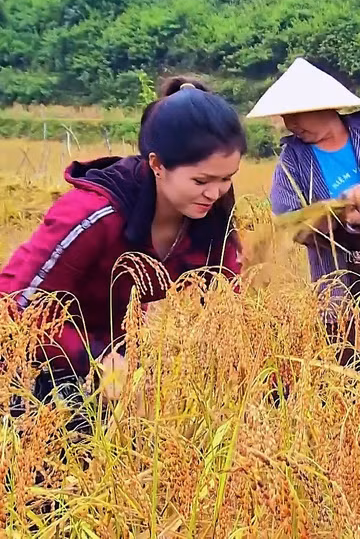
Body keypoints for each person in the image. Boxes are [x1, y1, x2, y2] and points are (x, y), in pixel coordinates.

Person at [1, 77, 246, 414]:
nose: (215, 193)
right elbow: (16, 303)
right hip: (36, 360)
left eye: (227, 178)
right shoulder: (93, 214)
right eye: (201, 180)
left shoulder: (212, 219)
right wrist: (93, 359)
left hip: (115, 365)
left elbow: (231, 302)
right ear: (158, 165)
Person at [247, 58, 360, 389]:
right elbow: (288, 220)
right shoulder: (293, 158)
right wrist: (337, 217)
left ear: (322, 107)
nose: (290, 123)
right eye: (286, 116)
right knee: (350, 359)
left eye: (296, 113)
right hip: (337, 272)